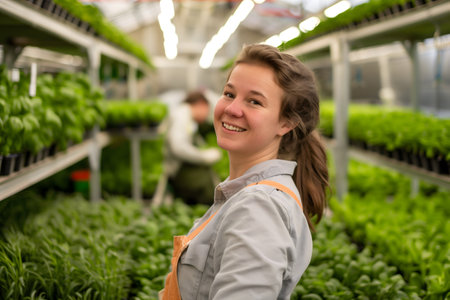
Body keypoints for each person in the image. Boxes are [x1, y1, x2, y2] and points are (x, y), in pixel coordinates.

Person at [161, 44, 329, 299]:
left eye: (254, 101)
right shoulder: (242, 193)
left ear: (286, 123)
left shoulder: (258, 208)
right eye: (229, 94)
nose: (232, 109)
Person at [154, 90, 221, 206]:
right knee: (207, 187)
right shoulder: (181, 115)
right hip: (177, 170)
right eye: (207, 110)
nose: (207, 115)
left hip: (180, 166)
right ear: (201, 104)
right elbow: (178, 147)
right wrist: (203, 157)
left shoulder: (188, 117)